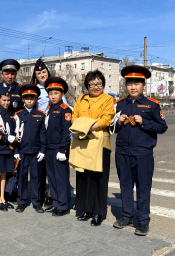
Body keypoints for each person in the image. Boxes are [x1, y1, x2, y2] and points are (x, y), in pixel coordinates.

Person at [111, 65, 167, 236]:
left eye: (136, 83)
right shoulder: (119, 104)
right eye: (129, 83)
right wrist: (118, 122)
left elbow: (162, 127)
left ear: (143, 85)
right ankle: (127, 216)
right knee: (125, 186)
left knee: (143, 188)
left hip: (143, 154)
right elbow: (111, 129)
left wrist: (144, 122)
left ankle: (143, 221)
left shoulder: (152, 106)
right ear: (125, 85)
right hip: (122, 153)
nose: (133, 87)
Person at [72, 69, 115, 226]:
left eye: (99, 84)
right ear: (87, 86)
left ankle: (99, 212)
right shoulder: (81, 98)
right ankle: (85, 209)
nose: (96, 87)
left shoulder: (108, 99)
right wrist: (82, 126)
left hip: (100, 143)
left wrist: (86, 127)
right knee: (83, 178)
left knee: (99, 179)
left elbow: (106, 120)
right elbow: (74, 117)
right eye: (92, 84)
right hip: (83, 143)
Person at [30, 58, 68, 208]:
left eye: (44, 71)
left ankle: (54, 198)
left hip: (55, 133)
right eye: (39, 73)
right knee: (43, 170)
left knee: (55, 171)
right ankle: (41, 197)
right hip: (39, 131)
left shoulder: (57, 90)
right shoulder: (34, 89)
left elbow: (65, 108)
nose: (42, 74)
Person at [13, 84, 47, 213]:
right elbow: (15, 135)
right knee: (21, 178)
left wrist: (43, 150)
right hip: (22, 152)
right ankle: (21, 201)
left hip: (36, 153)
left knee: (36, 177)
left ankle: (36, 202)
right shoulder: (18, 115)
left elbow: (43, 135)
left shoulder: (41, 115)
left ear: (36, 99)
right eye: (27, 98)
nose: (29, 101)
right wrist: (16, 152)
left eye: (32, 98)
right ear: (22, 99)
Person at [44, 77, 72, 216]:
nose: (53, 96)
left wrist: (63, 149)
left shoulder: (65, 110)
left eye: (56, 93)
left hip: (59, 149)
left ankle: (63, 205)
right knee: (52, 178)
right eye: (51, 93)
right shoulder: (49, 109)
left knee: (61, 178)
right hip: (49, 148)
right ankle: (55, 203)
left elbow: (66, 132)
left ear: (62, 94)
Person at [0, 87, 16, 212]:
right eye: (4, 100)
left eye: (8, 100)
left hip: (8, 149)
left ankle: (3, 198)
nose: (6, 102)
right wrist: (7, 138)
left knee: (5, 173)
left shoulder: (11, 115)